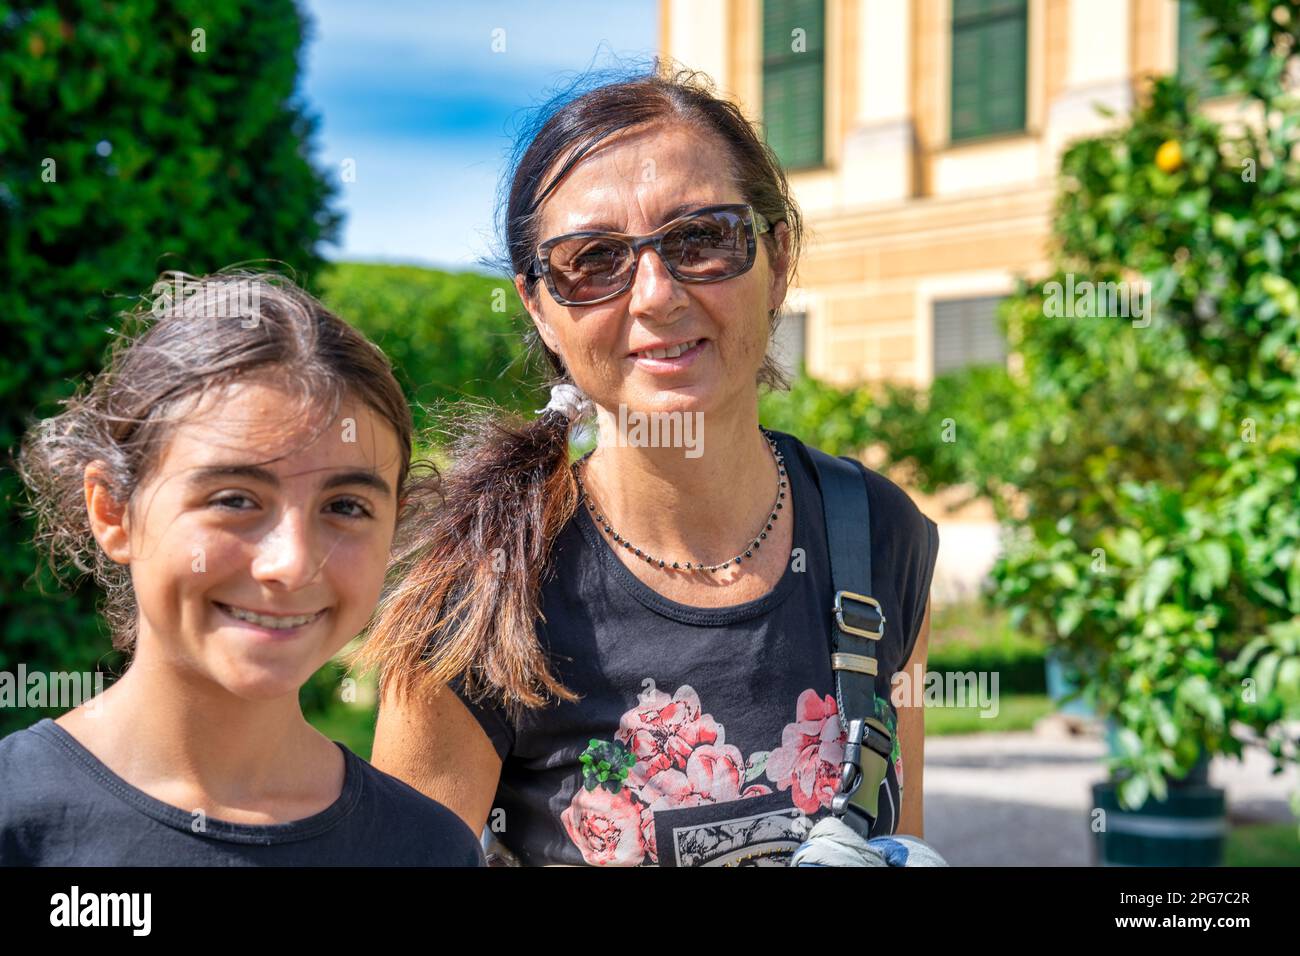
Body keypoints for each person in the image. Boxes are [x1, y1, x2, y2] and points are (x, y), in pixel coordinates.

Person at [362, 65, 939, 867]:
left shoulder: (879, 534)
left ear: (777, 260)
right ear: (541, 308)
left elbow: (898, 835)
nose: (656, 295)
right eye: (593, 260)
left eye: (701, 239)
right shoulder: (483, 589)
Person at [1, 272, 484, 866]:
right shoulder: (16, 822)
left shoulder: (427, 850)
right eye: (234, 499)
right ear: (114, 511)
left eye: (345, 508)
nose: (292, 563)